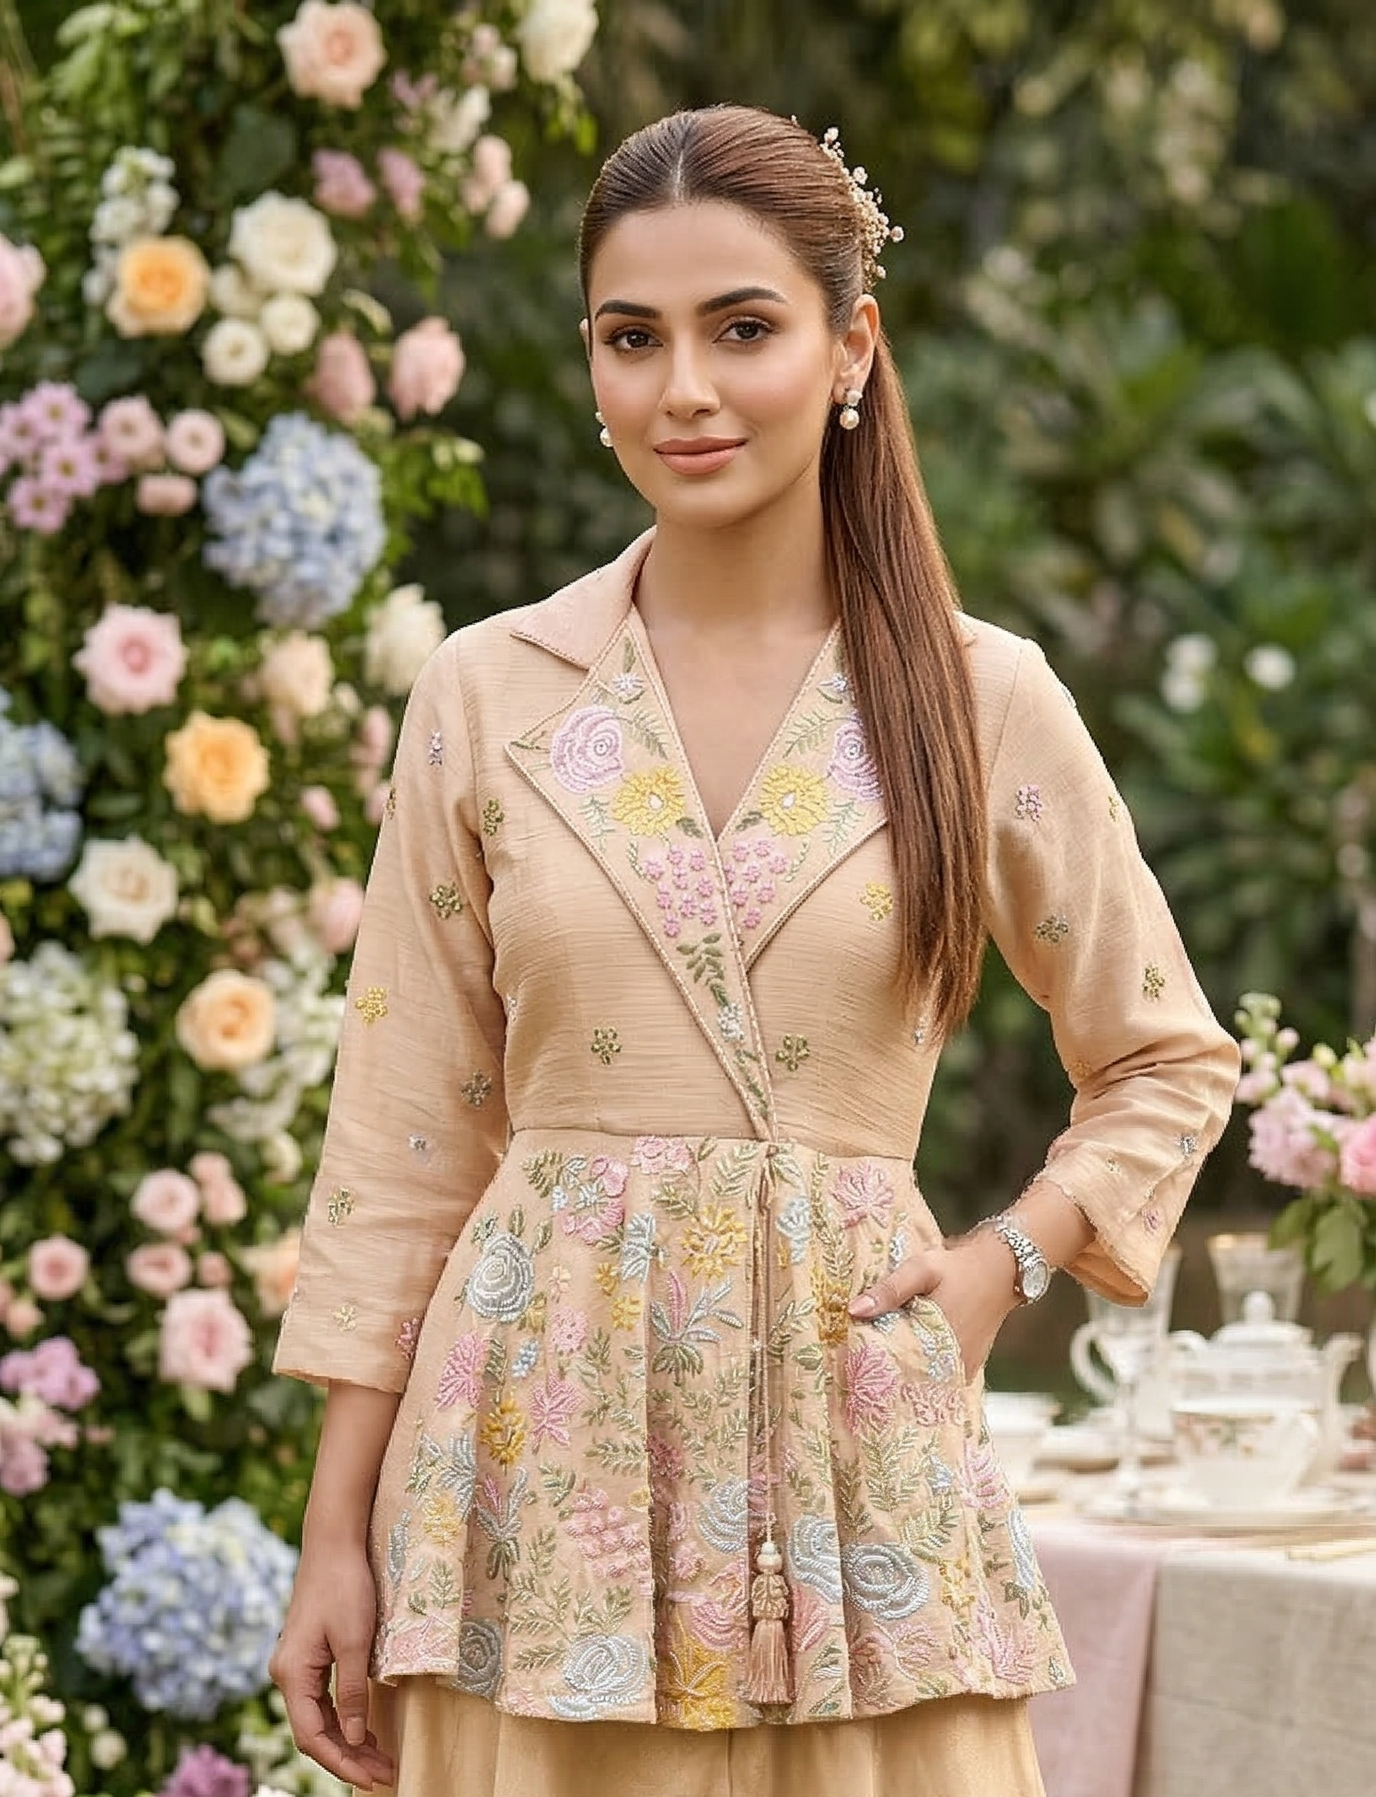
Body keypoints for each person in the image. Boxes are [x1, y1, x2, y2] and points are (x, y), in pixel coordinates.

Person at [269, 104, 1240, 1797]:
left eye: (742, 329)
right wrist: (335, 1535)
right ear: (590, 361)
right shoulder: (488, 697)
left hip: (859, 1452)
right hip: (531, 1471)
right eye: (631, 339)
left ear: (851, 345)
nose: (683, 392)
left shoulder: (978, 694)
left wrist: (1003, 1265)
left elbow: (1165, 1057)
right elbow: (406, 1137)